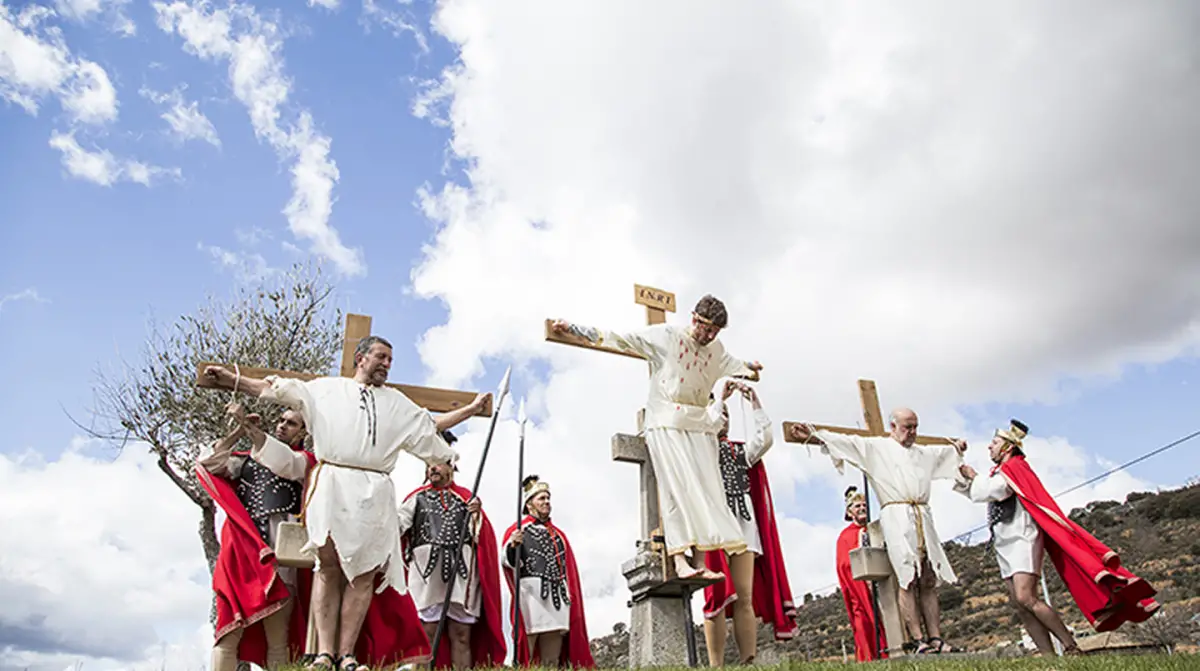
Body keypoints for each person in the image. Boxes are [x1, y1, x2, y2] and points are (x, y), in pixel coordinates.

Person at [202, 335, 490, 671]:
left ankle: (348, 654)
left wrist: (469, 410)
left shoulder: (397, 403)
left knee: (364, 575)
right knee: (328, 568)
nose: (386, 364)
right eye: (381, 357)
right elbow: (277, 388)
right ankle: (325, 653)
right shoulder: (326, 390)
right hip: (333, 483)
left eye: (390, 360)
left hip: (376, 490)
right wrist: (233, 380)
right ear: (361, 358)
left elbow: (429, 426)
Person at [550, 294, 762, 580]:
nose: (709, 335)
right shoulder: (666, 336)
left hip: (698, 423)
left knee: (705, 489)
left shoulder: (716, 347)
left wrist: (752, 368)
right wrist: (574, 328)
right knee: (677, 486)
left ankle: (699, 558)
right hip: (665, 420)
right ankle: (679, 560)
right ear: (694, 318)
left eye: (715, 331)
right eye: (706, 328)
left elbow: (735, 363)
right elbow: (619, 338)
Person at [956, 419, 1159, 652]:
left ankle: (1070, 646)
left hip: (1022, 539)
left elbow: (995, 490)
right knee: (1020, 605)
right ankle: (1048, 658)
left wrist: (974, 476)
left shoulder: (1016, 468)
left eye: (994, 443)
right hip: (1004, 542)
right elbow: (979, 492)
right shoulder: (1000, 472)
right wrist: (960, 468)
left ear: (1008, 447)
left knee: (1026, 597)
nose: (989, 447)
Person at [788, 408, 965, 654]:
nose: (912, 432)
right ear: (893, 426)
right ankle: (917, 638)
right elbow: (846, 442)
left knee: (928, 577)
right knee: (907, 576)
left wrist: (957, 447)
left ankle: (935, 637)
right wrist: (813, 434)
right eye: (907, 427)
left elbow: (945, 453)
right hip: (897, 515)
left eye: (915, 427)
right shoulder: (876, 448)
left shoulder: (922, 453)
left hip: (922, 514)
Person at [197, 404, 314, 671]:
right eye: (281, 420)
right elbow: (209, 464)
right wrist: (238, 430)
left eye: (291, 423)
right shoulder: (244, 461)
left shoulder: (306, 462)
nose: (283, 425)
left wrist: (253, 430)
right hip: (242, 551)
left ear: (303, 432)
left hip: (280, 555)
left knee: (278, 639)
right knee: (227, 634)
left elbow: (284, 461)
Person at [701, 379, 796, 665]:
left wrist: (755, 404)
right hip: (714, 526)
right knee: (716, 596)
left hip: (743, 526)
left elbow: (764, 439)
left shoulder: (739, 451)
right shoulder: (698, 447)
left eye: (728, 414)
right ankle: (716, 664)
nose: (724, 419)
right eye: (720, 413)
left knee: (745, 596)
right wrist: (719, 399)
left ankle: (748, 659)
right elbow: (706, 429)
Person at [398, 433, 507, 669]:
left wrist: (476, 514)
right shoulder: (415, 498)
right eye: (428, 464)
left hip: (461, 577)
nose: (432, 469)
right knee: (426, 634)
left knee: (461, 634)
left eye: (436, 463)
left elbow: (480, 537)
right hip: (425, 578)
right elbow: (398, 527)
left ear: (451, 466)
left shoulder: (466, 498)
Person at [502, 475, 594, 669]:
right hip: (530, 596)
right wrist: (513, 545)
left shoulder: (558, 535)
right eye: (541, 498)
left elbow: (568, 571)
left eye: (547, 498)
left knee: (551, 659)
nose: (546, 502)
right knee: (527, 651)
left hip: (556, 597)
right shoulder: (518, 530)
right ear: (529, 504)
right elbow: (508, 562)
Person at [835, 487, 885, 662]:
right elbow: (844, 565)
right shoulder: (845, 537)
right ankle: (869, 659)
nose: (862, 508)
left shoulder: (877, 528)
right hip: (861, 589)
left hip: (883, 583)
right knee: (863, 623)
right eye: (857, 506)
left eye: (865, 505)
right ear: (849, 512)